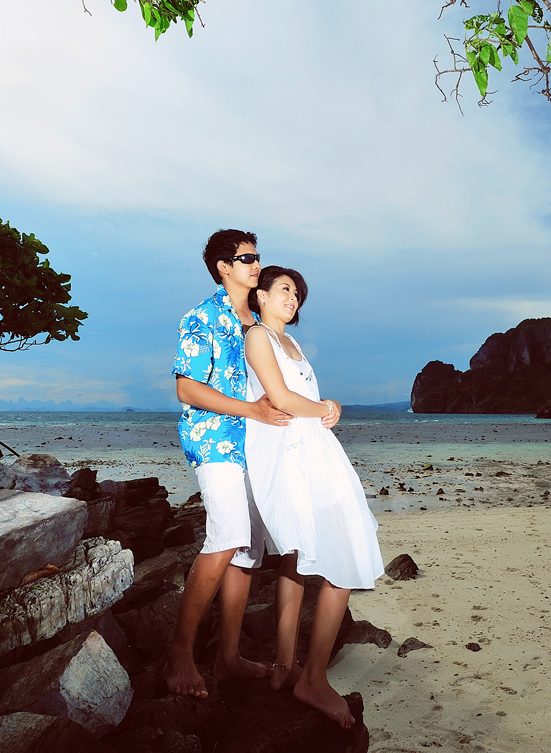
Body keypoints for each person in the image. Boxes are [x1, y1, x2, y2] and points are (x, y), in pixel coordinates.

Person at [242, 265, 385, 728]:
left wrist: (332, 406)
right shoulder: (258, 337)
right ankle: (314, 678)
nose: (294, 298)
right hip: (287, 454)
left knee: (302, 554)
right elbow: (280, 397)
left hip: (313, 452)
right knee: (340, 556)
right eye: (285, 289)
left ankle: (288, 668)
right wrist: (324, 408)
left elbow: (304, 396)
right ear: (260, 295)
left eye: (298, 293)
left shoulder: (293, 344)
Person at [164, 229, 293, 698]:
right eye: (246, 258)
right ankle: (180, 653)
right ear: (223, 267)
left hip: (255, 442)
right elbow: (187, 389)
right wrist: (253, 410)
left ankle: (229, 657)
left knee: (248, 550)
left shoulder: (256, 319)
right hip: (214, 439)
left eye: (258, 257)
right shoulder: (202, 317)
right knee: (227, 536)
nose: (256, 264)